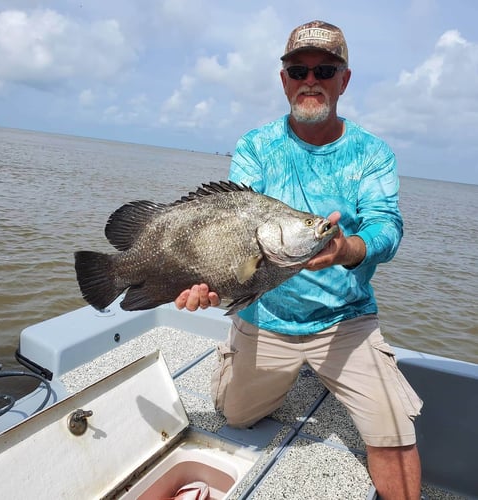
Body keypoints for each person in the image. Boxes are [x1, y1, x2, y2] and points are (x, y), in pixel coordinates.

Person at [175, 20, 423, 499]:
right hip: (266, 315)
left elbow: (386, 229)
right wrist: (208, 282)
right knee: (236, 417)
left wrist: (347, 249)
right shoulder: (256, 146)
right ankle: (235, 353)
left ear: (344, 79)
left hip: (346, 321)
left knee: (393, 435)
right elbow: (231, 228)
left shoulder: (372, 153)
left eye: (325, 69)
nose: (310, 79)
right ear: (284, 78)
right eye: (298, 69)